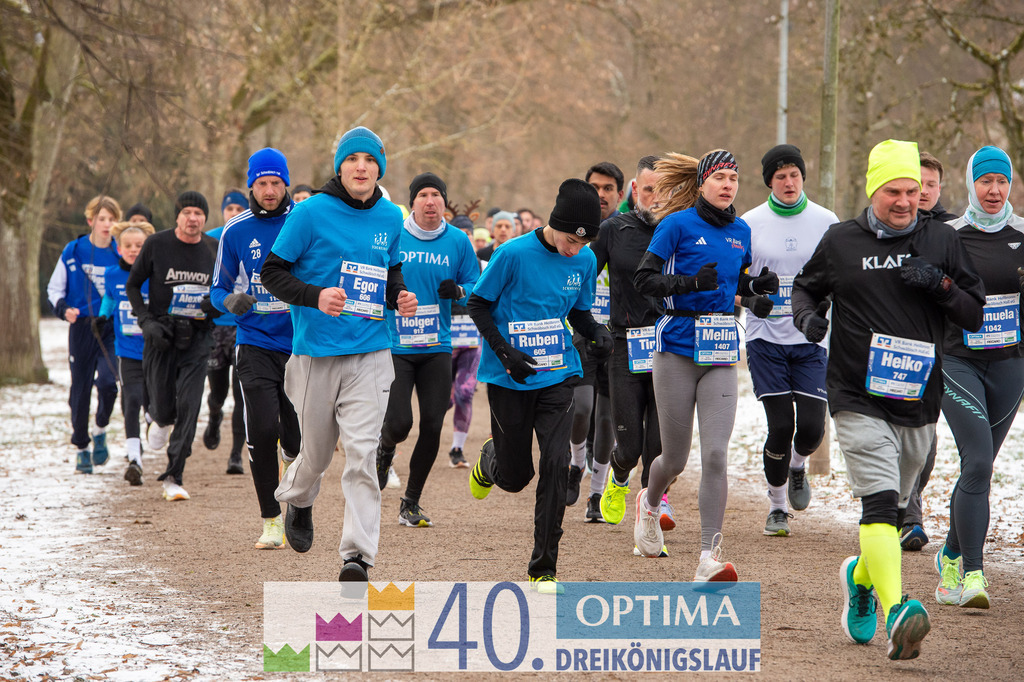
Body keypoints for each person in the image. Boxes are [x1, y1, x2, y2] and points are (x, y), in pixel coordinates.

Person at [792, 139, 984, 660]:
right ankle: (898, 610)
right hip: (856, 394)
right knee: (877, 503)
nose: (904, 201)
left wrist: (941, 285)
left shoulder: (942, 239)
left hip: (918, 398)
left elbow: (973, 314)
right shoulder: (841, 241)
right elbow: (806, 288)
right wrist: (807, 318)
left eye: (912, 191)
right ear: (872, 190)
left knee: (894, 514)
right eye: (892, 191)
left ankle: (860, 577)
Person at [261, 126, 417, 582]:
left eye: (370, 160)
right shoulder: (310, 213)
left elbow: (390, 272)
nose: (361, 167)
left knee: (363, 456)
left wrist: (399, 296)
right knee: (315, 456)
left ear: (379, 168)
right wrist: (315, 296)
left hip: (371, 352)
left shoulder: (391, 216)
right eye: (352, 159)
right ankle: (299, 498)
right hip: (317, 354)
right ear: (340, 167)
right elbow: (272, 272)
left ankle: (357, 557)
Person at [631, 150, 777, 579]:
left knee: (715, 454)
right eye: (719, 177)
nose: (728, 184)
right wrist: (689, 283)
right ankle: (650, 502)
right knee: (674, 459)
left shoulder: (741, 230)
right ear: (701, 183)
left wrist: (755, 288)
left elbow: (732, 282)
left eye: (734, 177)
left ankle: (708, 558)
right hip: (676, 347)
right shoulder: (675, 225)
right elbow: (643, 280)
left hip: (721, 350)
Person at [468, 179, 612, 592]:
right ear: (554, 224)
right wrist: (504, 352)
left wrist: (596, 331)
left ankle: (543, 568)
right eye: (570, 240)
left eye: (583, 244)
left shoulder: (585, 260)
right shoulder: (512, 254)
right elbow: (478, 304)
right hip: (509, 376)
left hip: (558, 374)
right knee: (516, 478)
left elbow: (579, 312)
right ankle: (491, 460)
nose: (575, 250)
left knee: (555, 464)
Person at [933, 145, 1024, 610]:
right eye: (986, 180)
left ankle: (950, 552)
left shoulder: (1022, 235)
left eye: (1002, 181)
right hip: (958, 361)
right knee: (979, 461)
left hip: (1010, 366)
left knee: (979, 468)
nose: (994, 190)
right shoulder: (948, 236)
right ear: (971, 183)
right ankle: (971, 573)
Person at [739, 144, 838, 537]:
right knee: (780, 426)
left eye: (794, 174)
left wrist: (824, 308)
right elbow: (736, 279)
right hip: (765, 338)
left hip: (811, 339)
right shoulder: (749, 223)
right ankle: (777, 506)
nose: (788, 182)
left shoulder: (826, 221)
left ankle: (797, 465)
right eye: (780, 176)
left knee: (812, 429)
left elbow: (838, 276)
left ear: (803, 177)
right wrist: (750, 298)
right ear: (769, 182)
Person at [375, 172, 479, 527]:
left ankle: (411, 502)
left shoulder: (458, 241)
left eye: (436, 194)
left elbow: (475, 282)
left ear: (444, 202)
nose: (430, 201)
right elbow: (376, 276)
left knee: (433, 424)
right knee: (399, 423)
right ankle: (385, 449)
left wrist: (460, 292)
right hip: (397, 344)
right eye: (423, 195)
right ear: (413, 202)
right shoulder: (395, 235)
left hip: (437, 345)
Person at [211, 148, 301, 550]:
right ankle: (271, 520)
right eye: (262, 183)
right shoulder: (236, 230)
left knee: (297, 440)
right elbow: (217, 289)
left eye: (276, 183)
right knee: (262, 431)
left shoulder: (304, 221)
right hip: (254, 342)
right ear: (251, 185)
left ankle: (297, 488)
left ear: (285, 183)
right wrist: (230, 301)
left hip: (301, 344)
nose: (269, 190)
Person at [127, 191, 221, 501]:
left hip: (198, 337)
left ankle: (173, 476)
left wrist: (213, 306)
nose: (193, 219)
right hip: (161, 336)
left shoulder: (214, 248)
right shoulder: (157, 244)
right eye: (187, 213)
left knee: (190, 406)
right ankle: (158, 417)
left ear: (205, 218)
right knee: (166, 409)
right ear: (177, 217)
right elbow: (133, 285)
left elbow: (223, 291)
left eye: (199, 213)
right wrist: (146, 321)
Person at [593, 156, 669, 530]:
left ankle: (653, 510)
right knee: (630, 445)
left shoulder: (681, 231)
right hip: (624, 345)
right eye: (650, 189)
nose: (657, 198)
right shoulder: (613, 229)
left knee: (659, 445)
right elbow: (582, 276)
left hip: (670, 345)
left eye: (665, 190)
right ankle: (619, 474)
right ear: (636, 190)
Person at [900, 151, 958, 551]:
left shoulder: (953, 231)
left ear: (940, 188)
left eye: (931, 185)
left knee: (927, 438)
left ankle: (906, 501)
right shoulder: (890, 226)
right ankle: (908, 516)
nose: (923, 192)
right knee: (899, 429)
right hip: (896, 342)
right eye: (917, 184)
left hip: (942, 345)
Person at [47, 195, 122, 474]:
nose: (107, 224)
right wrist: (63, 309)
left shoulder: (120, 252)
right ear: (90, 220)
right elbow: (55, 289)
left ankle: (100, 428)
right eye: (102, 218)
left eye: (112, 219)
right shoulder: (74, 250)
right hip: (81, 327)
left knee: (109, 383)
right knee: (80, 390)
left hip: (110, 326)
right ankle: (81, 446)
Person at [565, 162, 623, 519]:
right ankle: (576, 463)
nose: (601, 195)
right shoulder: (570, 231)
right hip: (581, 331)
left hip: (618, 336)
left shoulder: (628, 231)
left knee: (606, 418)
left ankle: (597, 495)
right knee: (582, 408)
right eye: (595, 187)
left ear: (620, 193)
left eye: (608, 188)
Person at [96, 220, 155, 484]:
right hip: (127, 350)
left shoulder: (156, 272)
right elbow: (110, 298)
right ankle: (134, 460)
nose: (133, 250)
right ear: (119, 249)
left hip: (156, 351)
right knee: (131, 400)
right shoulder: (112, 274)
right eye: (128, 246)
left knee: (155, 404)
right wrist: (102, 316)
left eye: (139, 245)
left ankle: (153, 419)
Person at [204, 189, 248, 474]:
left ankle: (235, 455)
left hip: (244, 326)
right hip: (217, 326)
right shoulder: (210, 240)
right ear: (223, 211)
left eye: (239, 209)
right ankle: (214, 414)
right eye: (229, 209)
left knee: (242, 393)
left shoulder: (251, 234)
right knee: (218, 390)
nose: (233, 213)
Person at [446, 215, 483, 467]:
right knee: (444, 399)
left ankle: (457, 448)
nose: (463, 238)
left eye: (467, 233)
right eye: (458, 233)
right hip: (443, 339)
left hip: (472, 338)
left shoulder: (485, 265)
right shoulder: (442, 262)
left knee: (465, 392)